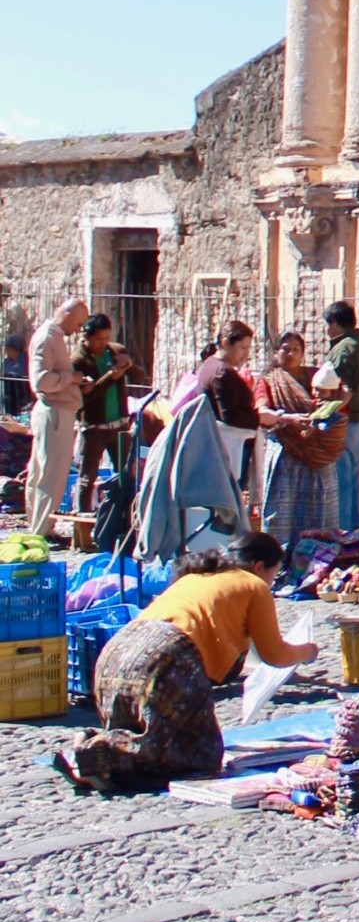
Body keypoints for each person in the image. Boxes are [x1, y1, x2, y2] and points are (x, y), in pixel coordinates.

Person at [60, 533, 316, 793]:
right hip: (167, 658)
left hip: (116, 653)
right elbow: (274, 654)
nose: (273, 581)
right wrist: (307, 651)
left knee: (137, 726)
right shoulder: (253, 584)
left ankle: (94, 748)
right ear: (260, 566)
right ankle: (98, 754)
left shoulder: (196, 577)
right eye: (275, 573)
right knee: (199, 755)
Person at [254, 331, 347, 554]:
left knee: (320, 511)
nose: (291, 353)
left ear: (303, 354)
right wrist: (287, 419)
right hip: (287, 455)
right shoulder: (269, 381)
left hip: (318, 457)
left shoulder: (317, 376)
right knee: (283, 511)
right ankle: (281, 560)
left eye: (296, 349)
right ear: (276, 353)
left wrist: (327, 412)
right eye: (285, 349)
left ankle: (319, 559)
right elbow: (261, 413)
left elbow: (341, 395)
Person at [24, 297, 88, 538]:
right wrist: (70, 379)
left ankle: (40, 527)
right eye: (79, 323)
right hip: (54, 412)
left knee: (41, 473)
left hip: (56, 410)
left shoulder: (53, 337)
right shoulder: (47, 338)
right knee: (51, 475)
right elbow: (41, 380)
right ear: (68, 313)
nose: (78, 330)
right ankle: (40, 531)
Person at [195, 322, 263, 502]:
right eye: (242, 348)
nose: (245, 355)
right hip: (227, 448)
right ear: (225, 343)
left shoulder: (210, 365)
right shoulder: (221, 372)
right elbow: (230, 416)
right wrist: (259, 418)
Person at [325, 301, 359, 528]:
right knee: (353, 476)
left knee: (342, 479)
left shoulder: (344, 348)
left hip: (346, 418)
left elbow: (341, 387)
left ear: (334, 323)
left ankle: (344, 529)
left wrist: (328, 413)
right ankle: (355, 527)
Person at [73, 315, 133, 509]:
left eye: (107, 338)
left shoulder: (115, 351)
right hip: (94, 428)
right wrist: (111, 376)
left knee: (125, 476)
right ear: (87, 337)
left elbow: (139, 375)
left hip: (119, 426)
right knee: (87, 478)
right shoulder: (77, 361)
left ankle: (124, 518)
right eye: (99, 339)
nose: (103, 343)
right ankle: (82, 525)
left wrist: (129, 365)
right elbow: (84, 399)